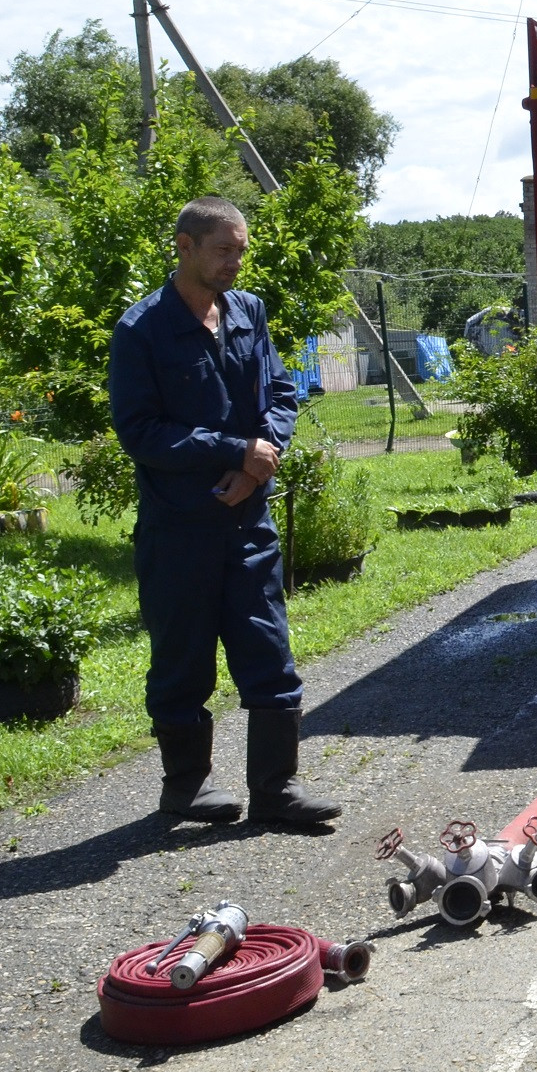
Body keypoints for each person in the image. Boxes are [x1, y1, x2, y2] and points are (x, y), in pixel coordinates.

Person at [110, 196, 340, 828]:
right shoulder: (141, 331)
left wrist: (259, 460)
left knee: (269, 655)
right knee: (182, 662)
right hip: (179, 528)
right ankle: (186, 788)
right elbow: (141, 431)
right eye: (223, 250)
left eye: (241, 250)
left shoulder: (248, 312)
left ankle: (276, 791)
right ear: (184, 246)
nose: (236, 262)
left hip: (248, 525)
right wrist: (234, 449)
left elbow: (283, 391)